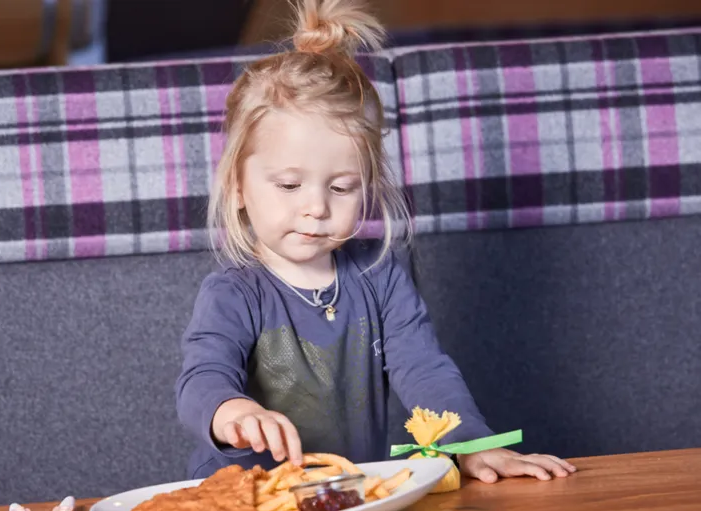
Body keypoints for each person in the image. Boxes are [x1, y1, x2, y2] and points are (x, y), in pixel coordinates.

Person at [175, 0, 576, 484]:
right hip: (244, 499)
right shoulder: (234, 294)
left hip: (347, 493)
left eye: (341, 187)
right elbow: (202, 378)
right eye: (288, 185)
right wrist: (232, 411)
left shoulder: (379, 278)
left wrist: (469, 445)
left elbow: (425, 371)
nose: (316, 207)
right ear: (238, 185)